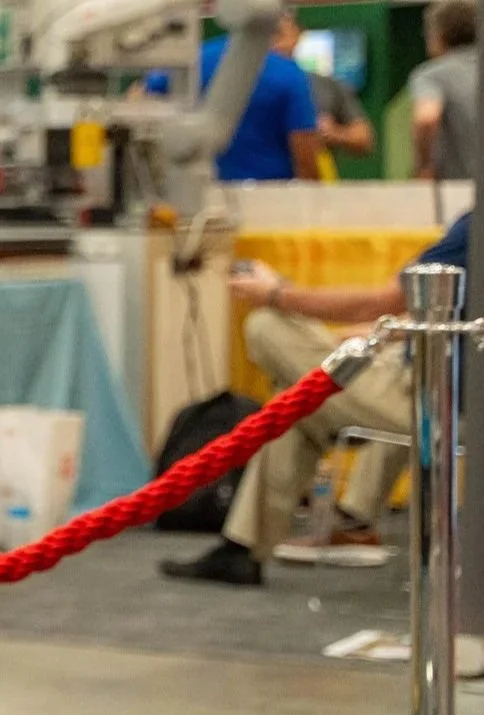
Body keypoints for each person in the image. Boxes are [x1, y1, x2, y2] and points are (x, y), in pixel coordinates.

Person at [161, 212, 467, 588]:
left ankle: (247, 547)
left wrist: (275, 293)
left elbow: (380, 303)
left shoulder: (472, 229)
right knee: (301, 401)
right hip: (436, 386)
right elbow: (435, 316)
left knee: (267, 326)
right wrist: (369, 336)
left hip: (439, 402)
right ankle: (253, 545)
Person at [146, 0, 319, 181]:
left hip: (198, 193)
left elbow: (140, 102)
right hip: (269, 197)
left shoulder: (195, 61)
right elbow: (305, 156)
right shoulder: (290, 76)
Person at [272, 14, 373, 170]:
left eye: (280, 35)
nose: (274, 45)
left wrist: (334, 134)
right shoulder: (242, 87)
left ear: (297, 36)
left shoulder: (327, 85)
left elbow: (364, 138)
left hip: (315, 184)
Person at [411, 0, 477, 181]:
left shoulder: (432, 75)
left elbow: (426, 118)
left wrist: (423, 166)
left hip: (462, 195)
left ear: (437, 35)